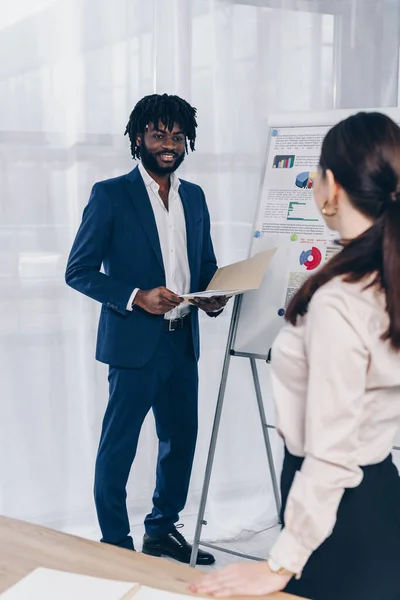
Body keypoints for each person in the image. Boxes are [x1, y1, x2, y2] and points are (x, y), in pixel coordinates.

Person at [191, 111, 400, 599]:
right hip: (379, 493)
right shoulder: (385, 277)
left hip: (337, 512)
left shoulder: (340, 299)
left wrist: (278, 565)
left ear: (329, 186)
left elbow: (331, 455)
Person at [65, 93, 227, 565]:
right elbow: (79, 271)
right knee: (120, 445)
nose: (169, 145)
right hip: (135, 344)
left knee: (181, 440)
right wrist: (137, 296)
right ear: (139, 138)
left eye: (178, 137)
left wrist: (212, 294)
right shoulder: (110, 194)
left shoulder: (193, 197)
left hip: (182, 341)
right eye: (159, 135)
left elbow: (206, 265)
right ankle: (116, 543)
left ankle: (160, 531)